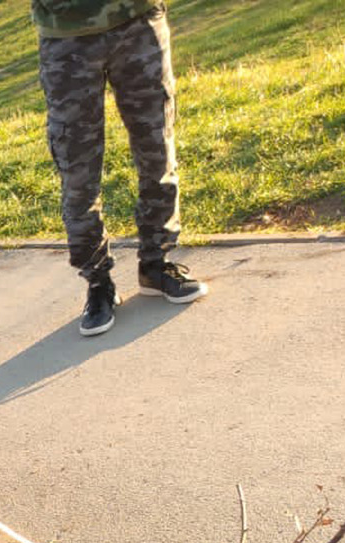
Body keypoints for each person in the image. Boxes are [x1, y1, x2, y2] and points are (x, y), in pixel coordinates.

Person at [34, 1, 207, 336]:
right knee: (78, 170)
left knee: (157, 150)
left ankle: (156, 265)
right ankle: (98, 283)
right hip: (67, 36)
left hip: (138, 21)